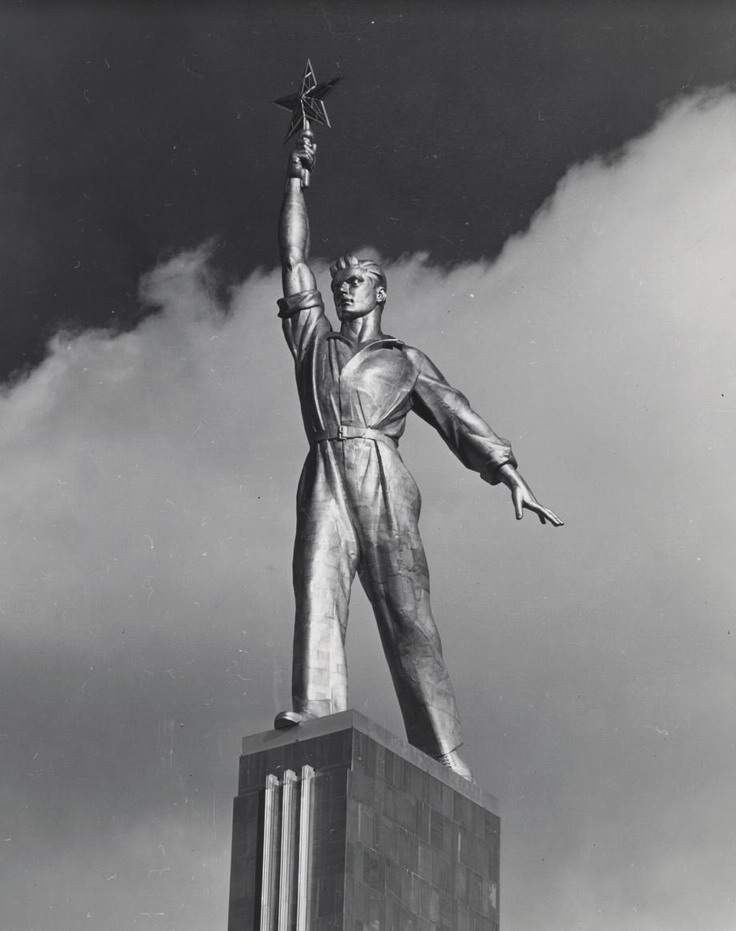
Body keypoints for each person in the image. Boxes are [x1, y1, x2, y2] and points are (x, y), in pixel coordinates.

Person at [274, 131, 562, 779]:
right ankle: (316, 705)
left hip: (381, 473)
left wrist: (507, 471)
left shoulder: (405, 360)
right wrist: (295, 183)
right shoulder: (312, 339)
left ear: (381, 292)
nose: (345, 288)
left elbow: (456, 414)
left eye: (359, 281)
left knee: (405, 607)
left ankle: (440, 744)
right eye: (339, 280)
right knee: (316, 583)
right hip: (325, 468)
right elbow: (292, 261)